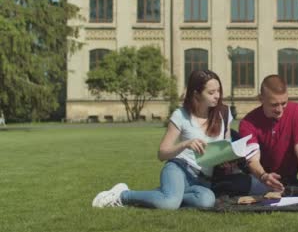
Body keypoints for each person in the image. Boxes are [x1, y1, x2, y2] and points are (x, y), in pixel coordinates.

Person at [92, 70, 232, 209]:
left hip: (203, 180)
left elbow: (226, 145)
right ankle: (123, 195)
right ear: (196, 94)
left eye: (218, 91)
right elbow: (162, 153)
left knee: (206, 202)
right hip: (179, 169)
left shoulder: (223, 114)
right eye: (211, 92)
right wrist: (185, 144)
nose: (217, 96)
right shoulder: (181, 115)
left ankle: (168, 195)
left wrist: (231, 153)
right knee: (169, 204)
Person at [239, 75, 298, 196]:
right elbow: (253, 160)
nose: (280, 109)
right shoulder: (248, 123)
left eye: (283, 103)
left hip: (289, 179)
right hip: (260, 179)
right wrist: (264, 176)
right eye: (274, 104)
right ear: (261, 99)